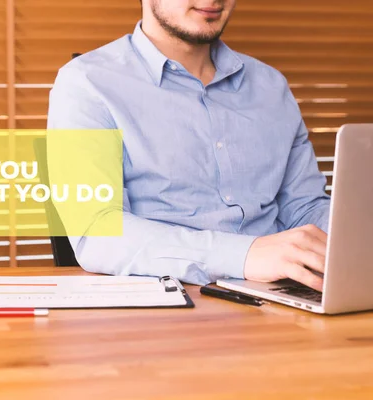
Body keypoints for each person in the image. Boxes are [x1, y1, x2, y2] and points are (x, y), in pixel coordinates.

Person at [46, 0, 330, 291]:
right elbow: (97, 234)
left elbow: (305, 207)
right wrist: (244, 255)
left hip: (286, 294)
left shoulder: (270, 85)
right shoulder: (86, 82)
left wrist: (354, 235)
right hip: (166, 304)